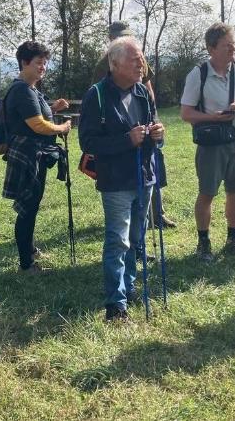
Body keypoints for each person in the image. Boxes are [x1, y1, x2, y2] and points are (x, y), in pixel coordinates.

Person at [79, 36, 165, 322]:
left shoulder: (142, 92)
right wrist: (126, 140)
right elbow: (88, 142)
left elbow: (151, 132)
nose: (141, 63)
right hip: (116, 181)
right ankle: (115, 305)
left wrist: (157, 136)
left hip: (145, 176)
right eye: (134, 58)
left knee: (137, 239)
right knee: (118, 241)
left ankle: (128, 288)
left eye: (141, 57)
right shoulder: (97, 95)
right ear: (115, 64)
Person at [179, 22, 235, 263]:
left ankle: (233, 240)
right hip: (211, 146)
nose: (233, 49)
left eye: (234, 44)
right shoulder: (199, 74)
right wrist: (213, 118)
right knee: (207, 193)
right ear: (211, 48)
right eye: (227, 45)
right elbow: (186, 113)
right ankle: (204, 243)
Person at [92, 21, 177, 229]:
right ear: (110, 38)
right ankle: (129, 219)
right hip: (118, 130)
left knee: (153, 167)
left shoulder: (138, 58)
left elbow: (147, 87)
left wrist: (154, 118)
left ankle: (157, 214)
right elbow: (99, 95)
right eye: (119, 36)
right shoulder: (104, 65)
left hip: (144, 123)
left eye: (127, 35)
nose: (124, 39)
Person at [2, 41, 71, 273]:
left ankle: (29, 250)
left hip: (34, 154)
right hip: (28, 155)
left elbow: (34, 115)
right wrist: (62, 128)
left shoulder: (29, 89)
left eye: (45, 63)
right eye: (38, 63)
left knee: (31, 203)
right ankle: (26, 263)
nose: (43, 67)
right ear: (24, 63)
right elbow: (37, 125)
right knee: (28, 207)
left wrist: (54, 108)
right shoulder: (22, 89)